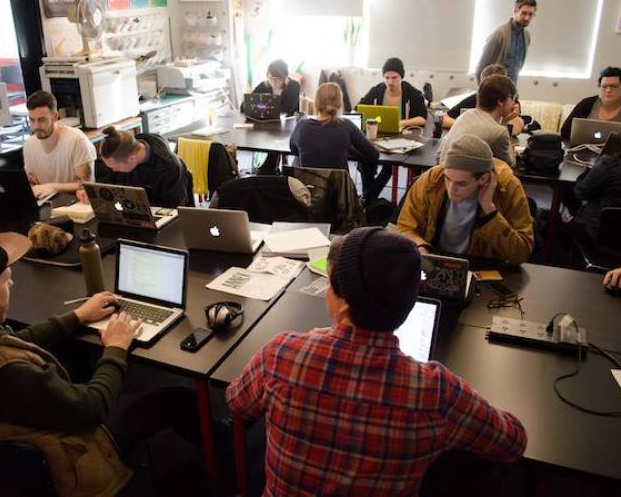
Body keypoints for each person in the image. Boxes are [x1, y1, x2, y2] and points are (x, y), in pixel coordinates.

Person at [226, 226, 527, 496]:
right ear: (410, 303)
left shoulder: (281, 354)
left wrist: (307, 346)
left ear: (342, 301)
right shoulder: (437, 392)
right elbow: (512, 444)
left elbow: (237, 402)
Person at [0, 234, 209, 495]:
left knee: (76, 353)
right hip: (69, 451)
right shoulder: (8, 375)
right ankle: (226, 451)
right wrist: (116, 349)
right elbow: (93, 408)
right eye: (7, 279)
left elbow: (10, 343)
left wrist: (77, 317)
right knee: (178, 399)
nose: (12, 283)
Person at [394, 134, 534, 265]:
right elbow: (405, 227)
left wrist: (489, 211)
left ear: (483, 179)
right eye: (448, 179)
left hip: (481, 267)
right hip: (435, 263)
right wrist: (420, 246)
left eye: (462, 184)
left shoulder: (508, 188)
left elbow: (521, 254)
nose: (451, 190)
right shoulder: (432, 179)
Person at [289, 82, 382, 200]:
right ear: (339, 103)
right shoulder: (346, 125)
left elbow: (293, 150)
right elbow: (374, 154)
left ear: (316, 103)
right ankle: (369, 200)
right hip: (340, 199)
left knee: (297, 161)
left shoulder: (302, 125)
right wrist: (349, 148)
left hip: (308, 195)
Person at [564, 110, 621, 241]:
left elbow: (580, 192)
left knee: (567, 191)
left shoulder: (610, 164)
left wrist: (589, 171)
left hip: (598, 236)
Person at [93, 126, 193, 207]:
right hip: (128, 208)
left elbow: (173, 208)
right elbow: (104, 179)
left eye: (115, 167)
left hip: (163, 216)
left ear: (131, 159)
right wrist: (94, 194)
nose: (113, 170)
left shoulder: (169, 167)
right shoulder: (120, 150)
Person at [23, 90, 96, 199]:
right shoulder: (29, 144)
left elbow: (86, 185)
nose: (36, 126)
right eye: (32, 120)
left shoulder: (77, 140)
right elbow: (33, 181)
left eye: (41, 120)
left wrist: (53, 187)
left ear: (55, 117)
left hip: (76, 205)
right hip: (47, 203)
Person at [438, 74, 518, 167]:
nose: (513, 103)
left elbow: (439, 154)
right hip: (465, 179)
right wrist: (505, 123)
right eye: (512, 98)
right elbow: (510, 163)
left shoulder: (466, 115)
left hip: (445, 175)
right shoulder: (499, 132)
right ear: (500, 101)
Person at [443, 64, 525, 136]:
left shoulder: (510, 101)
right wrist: (466, 125)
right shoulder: (475, 97)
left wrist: (505, 121)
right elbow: (444, 118)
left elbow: (516, 126)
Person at [560, 66, 621, 142]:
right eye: (604, 86)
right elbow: (565, 132)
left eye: (614, 86)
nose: (608, 90)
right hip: (585, 149)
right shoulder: (586, 104)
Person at [475, 0, 537, 85]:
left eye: (530, 14)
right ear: (515, 11)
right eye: (524, 13)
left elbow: (517, 67)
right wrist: (485, 92)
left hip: (511, 89)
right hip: (494, 90)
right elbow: (480, 68)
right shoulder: (499, 35)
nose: (527, 18)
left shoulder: (527, 37)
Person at [358, 57, 427, 128]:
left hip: (405, 133)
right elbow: (357, 109)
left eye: (394, 78)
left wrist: (401, 123)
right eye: (387, 78)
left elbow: (422, 119)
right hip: (379, 132)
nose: (390, 82)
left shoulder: (413, 93)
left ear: (401, 77)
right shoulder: (376, 91)